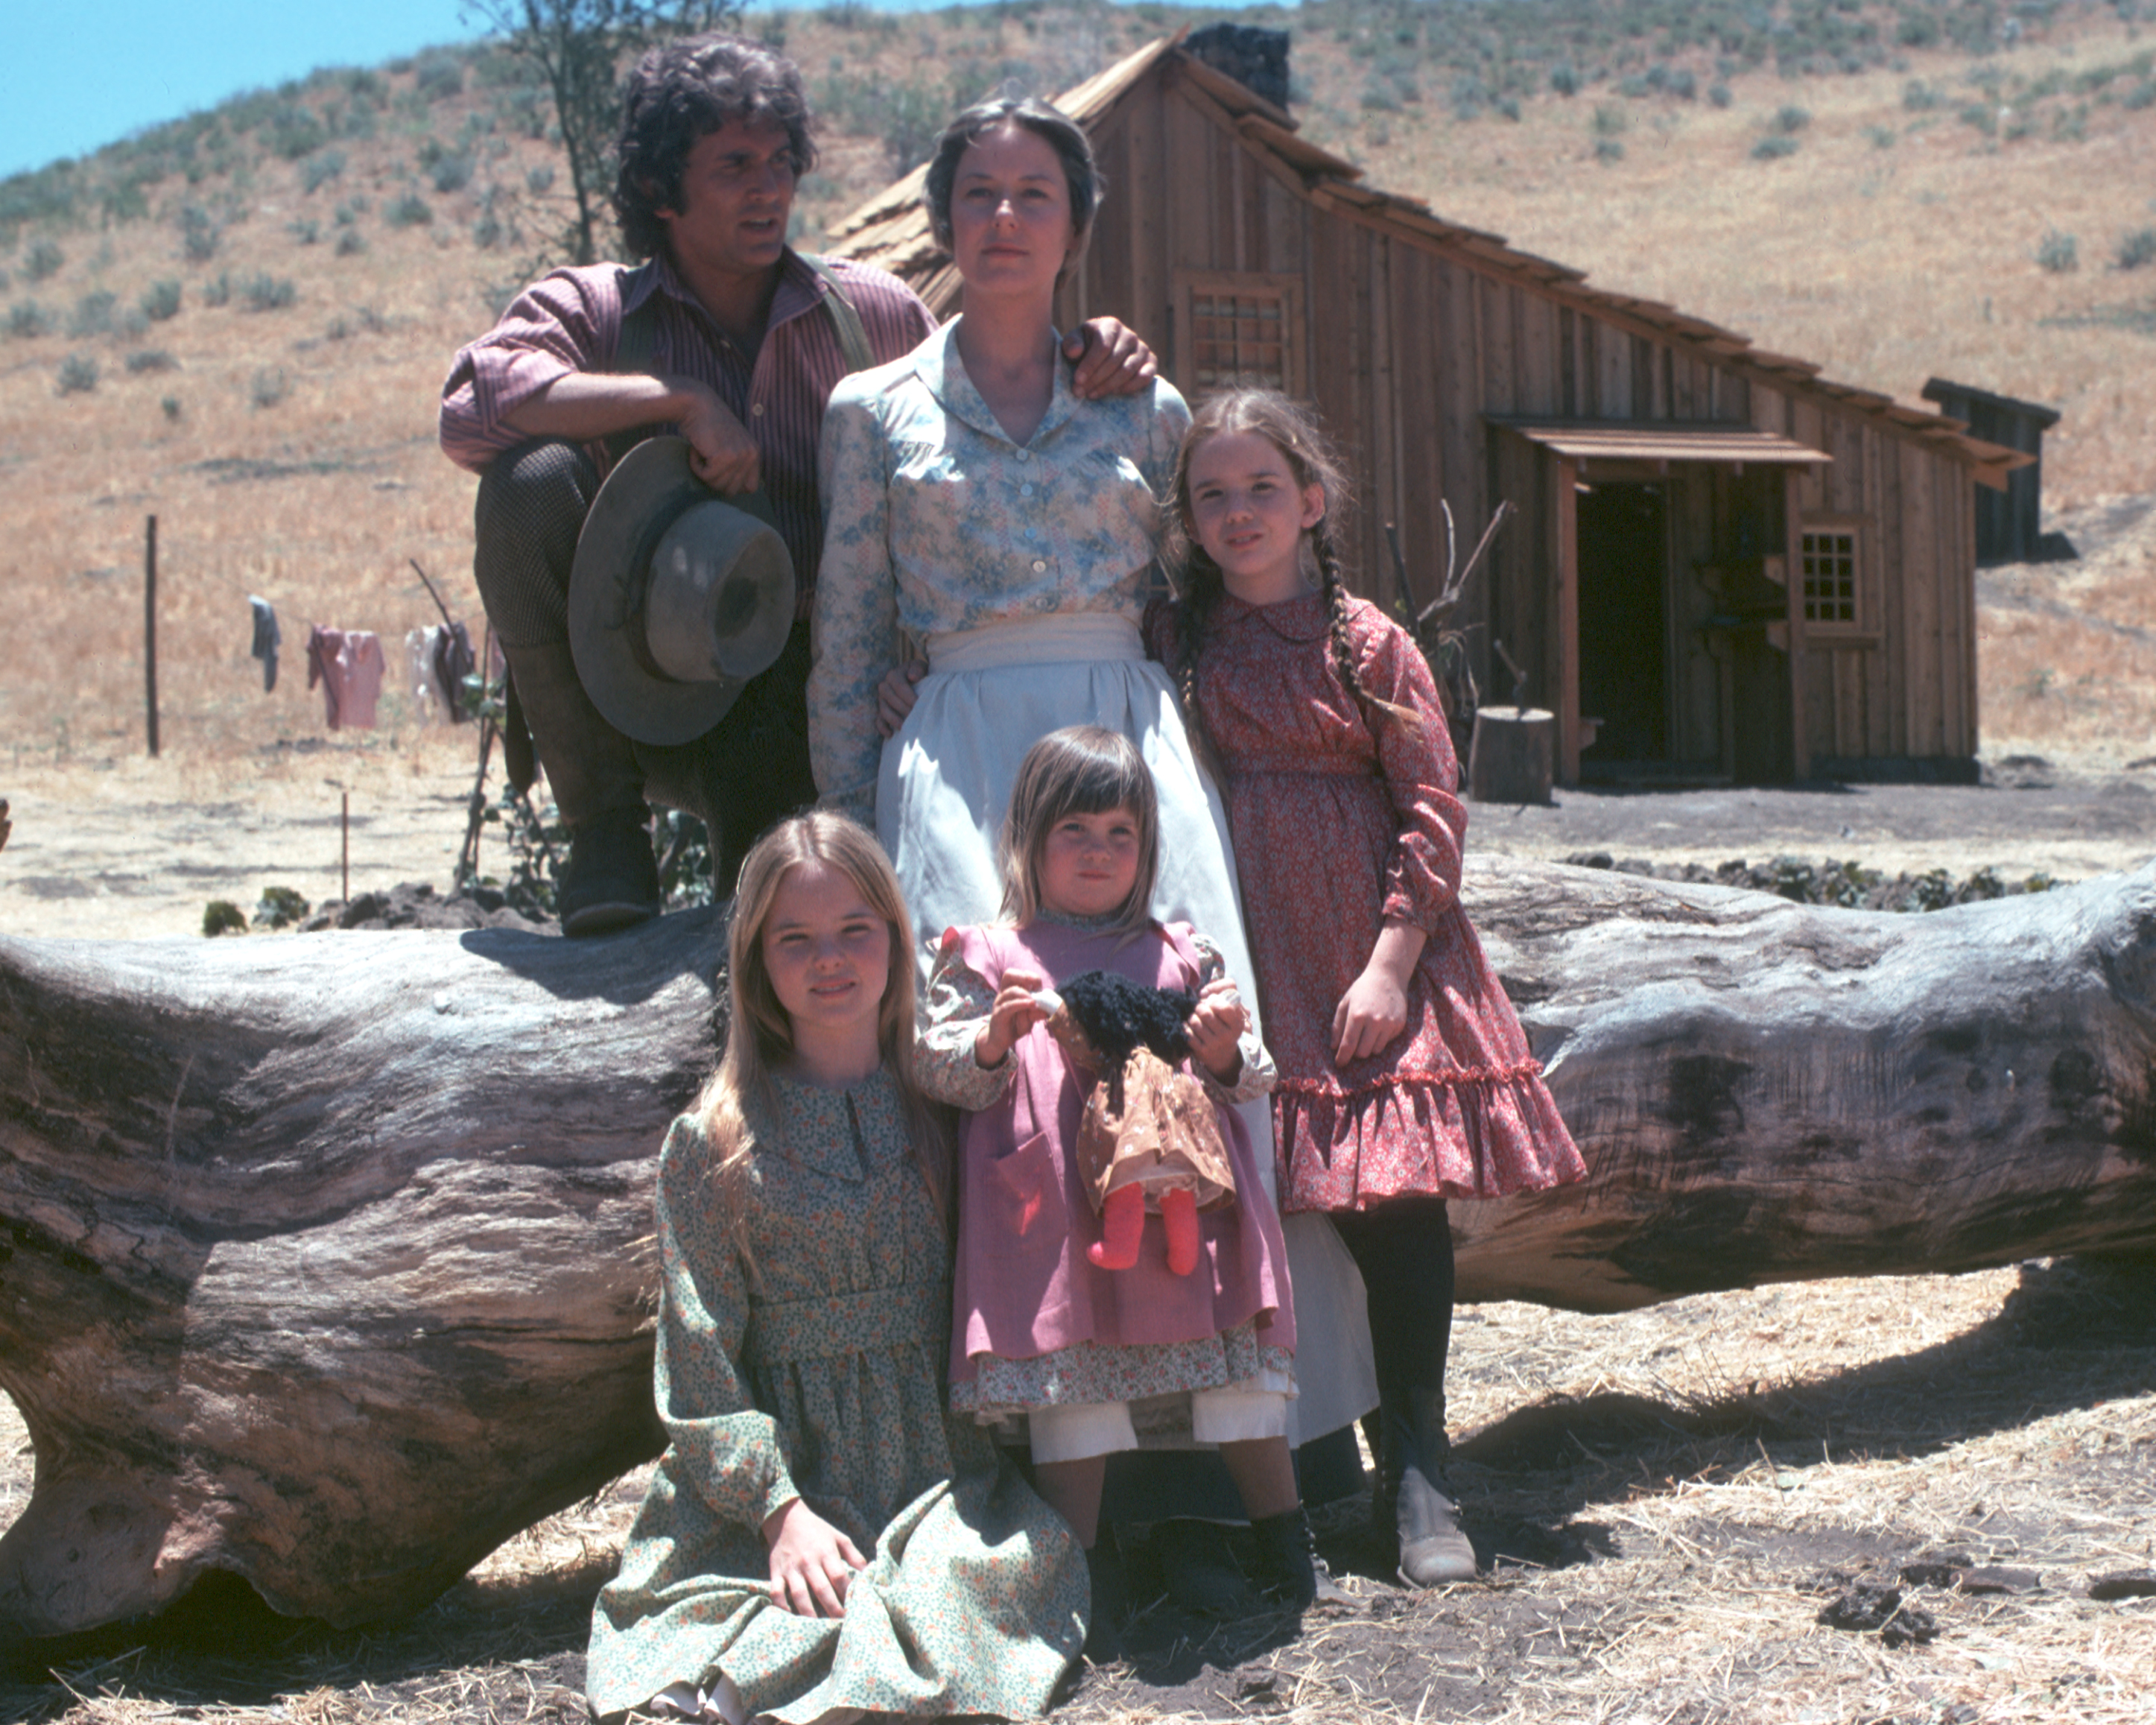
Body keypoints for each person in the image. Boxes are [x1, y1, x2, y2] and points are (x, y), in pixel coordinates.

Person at [809, 89, 1379, 1570]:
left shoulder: (1145, 404)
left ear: (1076, 226)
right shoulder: (869, 412)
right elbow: (845, 636)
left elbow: (1201, 597)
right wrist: (842, 852)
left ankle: (1255, 1431)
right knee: (991, 1078)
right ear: (941, 220)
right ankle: (1027, 1448)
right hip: (954, 757)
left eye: (1034, 195)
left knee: (1202, 1056)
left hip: (1128, 752)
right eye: (977, 194)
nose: (1003, 218)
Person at [439, 34, 1157, 934]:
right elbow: (470, 406)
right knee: (525, 482)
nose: (767, 188)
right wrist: (677, 399)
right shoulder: (596, 310)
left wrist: (1089, 349)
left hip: (807, 692)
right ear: (660, 188)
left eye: (780, 162)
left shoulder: (870, 315)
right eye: (733, 166)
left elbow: (981, 432)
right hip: (634, 687)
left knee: (773, 937)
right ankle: (604, 831)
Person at [1146, 389, 1590, 1586]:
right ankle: (1306, 1460)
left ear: (1311, 500)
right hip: (1248, 944)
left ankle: (1420, 1466)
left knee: (1391, 1203)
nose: (1238, 512)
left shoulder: (1364, 639)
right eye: (1210, 494)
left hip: (1364, 948)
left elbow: (1434, 805)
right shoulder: (1178, 638)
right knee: (1284, 1204)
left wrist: (1391, 964)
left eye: (1261, 487)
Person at [586, 811, 1087, 1724]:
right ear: (754, 960)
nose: (830, 959)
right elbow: (698, 1362)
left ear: (895, 940)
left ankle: (832, 1699)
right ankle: (720, 1693)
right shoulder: (714, 1140)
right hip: (782, 1471)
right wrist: (778, 1510)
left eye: (856, 928)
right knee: (774, 1592)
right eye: (795, 938)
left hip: (936, 1468)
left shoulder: (944, 1108)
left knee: (960, 1582)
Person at [915, 727, 1318, 1648]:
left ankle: (1283, 1543)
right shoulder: (986, 955)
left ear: (1147, 845)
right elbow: (936, 1067)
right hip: (1057, 1217)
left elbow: (1252, 1072)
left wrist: (1223, 1051)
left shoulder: (1178, 953)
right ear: (1026, 835)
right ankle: (1081, 1577)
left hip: (1185, 1207)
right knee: (1077, 1388)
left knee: (1240, 1378)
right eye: (1074, 829)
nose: (1097, 851)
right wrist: (990, 1041)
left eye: (1119, 832)